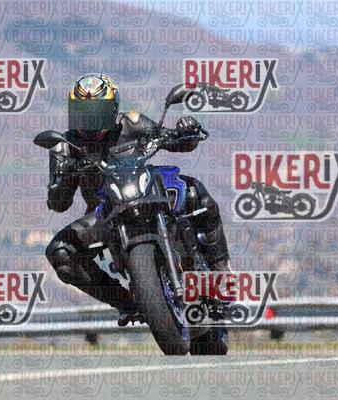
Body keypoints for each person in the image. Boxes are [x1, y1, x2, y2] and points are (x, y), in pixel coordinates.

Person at [43, 73, 230, 353]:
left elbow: (177, 142)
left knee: (194, 192)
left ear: (111, 109)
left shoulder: (131, 123)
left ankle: (220, 267)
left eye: (96, 111)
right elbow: (59, 203)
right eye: (82, 112)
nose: (89, 120)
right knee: (60, 251)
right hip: (105, 213)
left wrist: (185, 130)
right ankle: (127, 301)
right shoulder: (65, 146)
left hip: (147, 190)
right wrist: (61, 179)